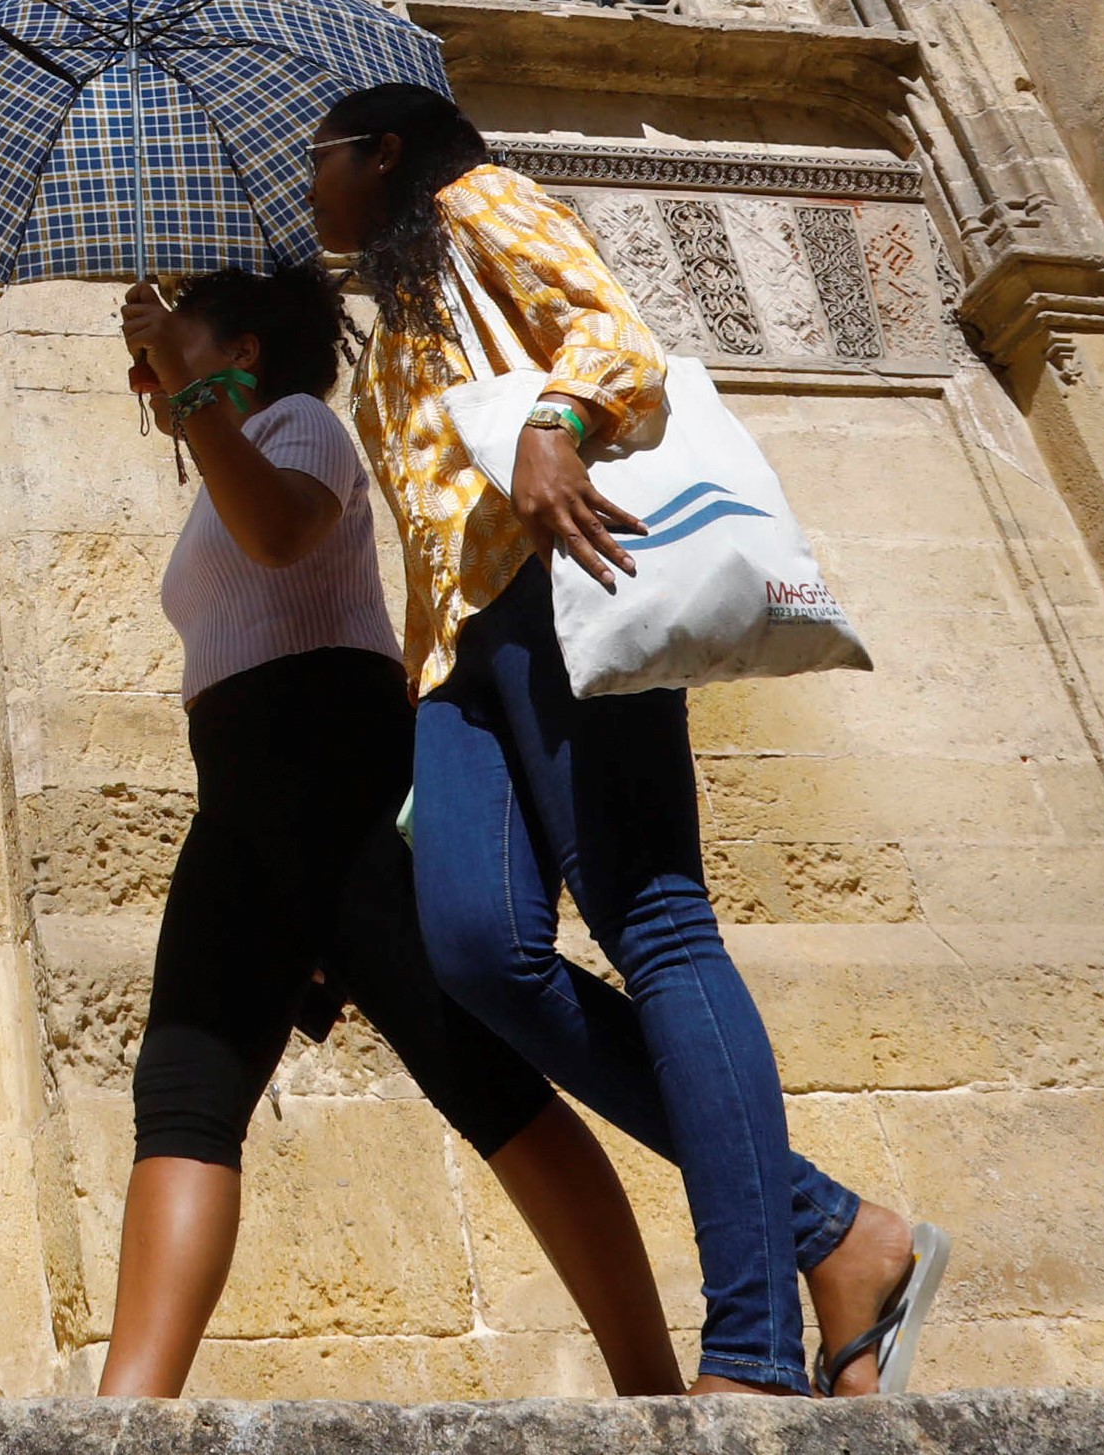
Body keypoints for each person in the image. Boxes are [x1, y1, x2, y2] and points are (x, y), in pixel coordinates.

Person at [302, 81, 949, 1399]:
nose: (303, 184)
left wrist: (552, 426)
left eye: (314, 160)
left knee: (654, 924)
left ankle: (755, 1347)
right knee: (477, 946)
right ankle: (839, 1228)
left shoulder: (477, 204)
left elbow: (615, 336)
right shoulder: (397, 297)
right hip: (459, 657)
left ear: (380, 154)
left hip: (565, 590)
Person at [102, 260, 682, 1399]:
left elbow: (276, 537)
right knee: (181, 1081)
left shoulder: (302, 427)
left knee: (481, 1075)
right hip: (243, 800)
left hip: (334, 773)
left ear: (245, 354)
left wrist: (191, 393)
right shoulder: (230, 440)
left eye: (192, 336)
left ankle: (651, 1389)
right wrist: (176, 383)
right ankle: (124, 1416)